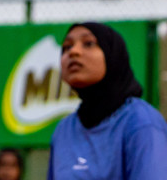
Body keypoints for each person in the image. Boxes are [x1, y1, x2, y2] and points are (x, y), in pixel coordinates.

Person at [47, 22, 167, 178]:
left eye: (88, 43)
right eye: (66, 47)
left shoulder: (140, 122)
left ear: (113, 54)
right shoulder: (63, 131)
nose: (73, 52)